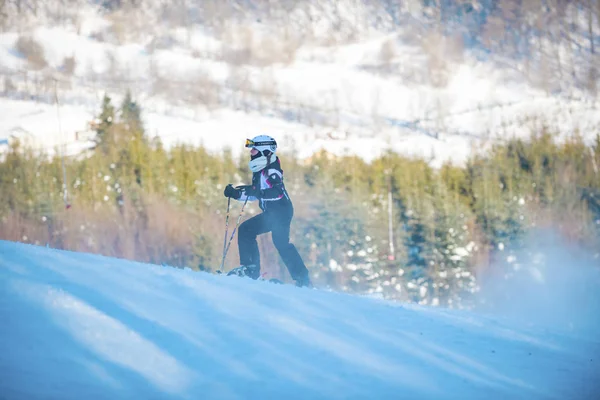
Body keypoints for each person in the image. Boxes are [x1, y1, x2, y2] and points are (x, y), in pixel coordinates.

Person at [223, 135, 312, 287]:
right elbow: (257, 192)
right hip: (272, 213)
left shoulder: (271, 170)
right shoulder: (261, 170)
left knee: (277, 241)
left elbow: (276, 192)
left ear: (264, 151)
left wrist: (256, 193)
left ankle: (301, 279)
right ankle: (251, 270)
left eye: (254, 149)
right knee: (249, 231)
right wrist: (236, 194)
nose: (251, 152)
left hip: (281, 212)